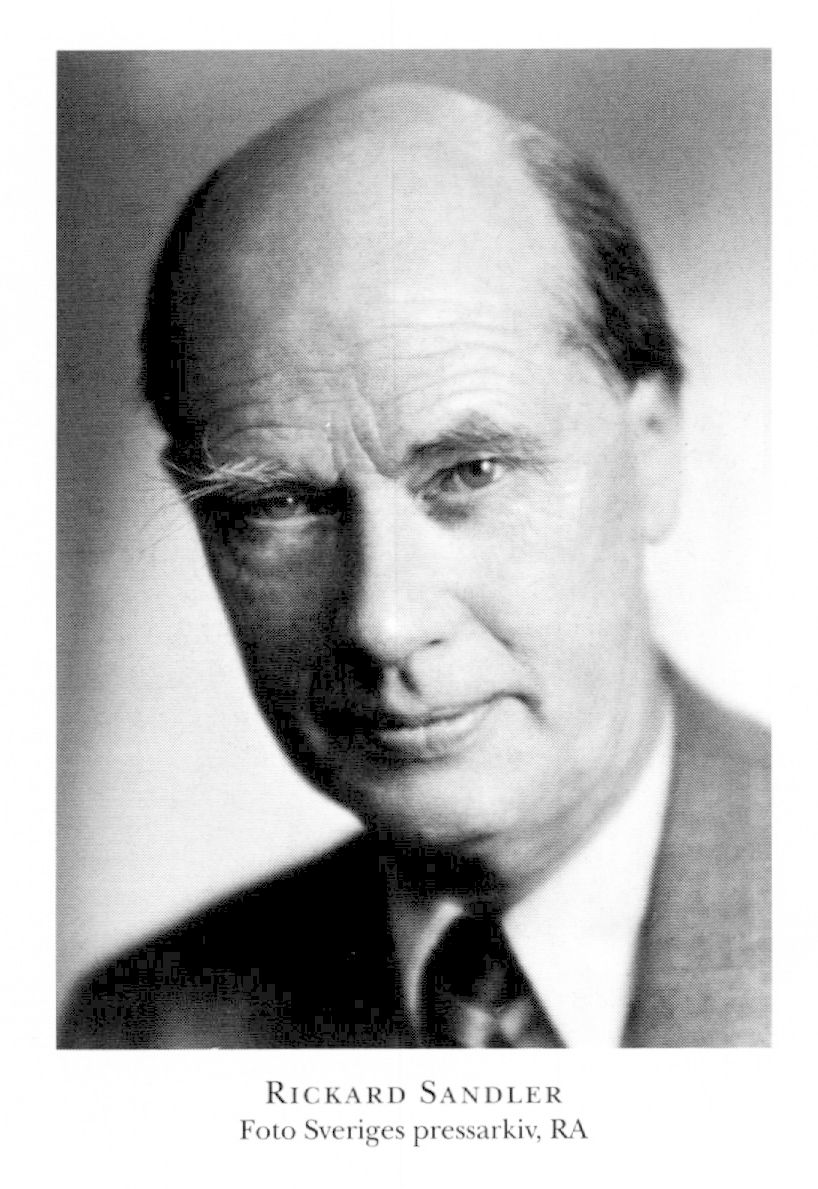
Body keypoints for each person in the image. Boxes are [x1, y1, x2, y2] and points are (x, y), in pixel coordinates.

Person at [59, 83, 769, 1049]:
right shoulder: (141, 1032)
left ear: (651, 449)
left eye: (470, 472)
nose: (382, 622)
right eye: (279, 504)